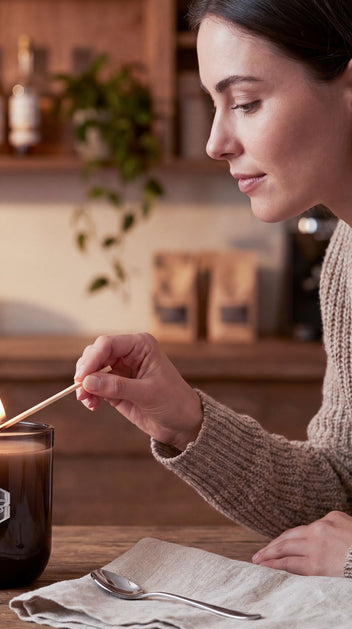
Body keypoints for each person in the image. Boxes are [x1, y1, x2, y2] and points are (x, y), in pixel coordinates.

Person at [74, 0, 352, 578]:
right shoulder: (344, 261)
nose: (215, 141)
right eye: (215, 105)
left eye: (246, 103)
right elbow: (338, 491)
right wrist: (185, 420)